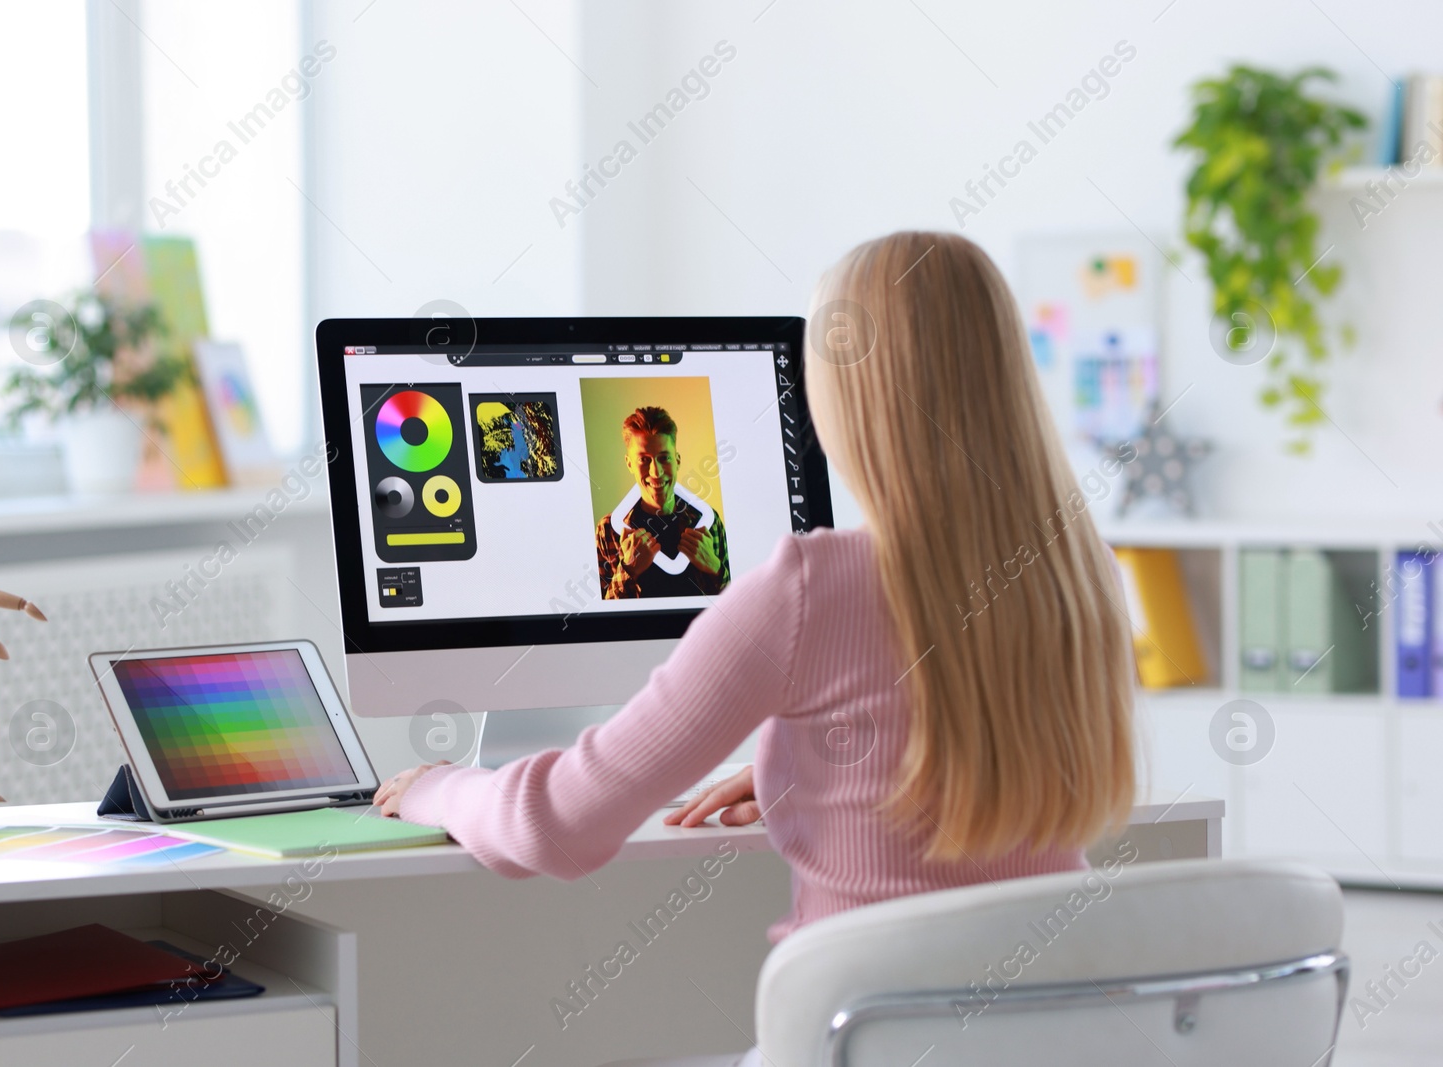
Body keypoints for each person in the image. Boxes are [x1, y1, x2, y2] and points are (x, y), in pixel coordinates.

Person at [374, 232, 1135, 1059]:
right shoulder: (1075, 569)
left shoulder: (814, 586)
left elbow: (557, 825)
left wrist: (441, 789)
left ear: (846, 392)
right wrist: (813, 766)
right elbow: (963, 745)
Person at [593, 405, 730, 599]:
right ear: (629, 463)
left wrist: (715, 568)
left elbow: (736, 605)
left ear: (678, 461)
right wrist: (628, 570)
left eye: (664, 458)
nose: (655, 473)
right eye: (644, 460)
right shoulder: (609, 529)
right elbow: (601, 618)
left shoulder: (707, 522)